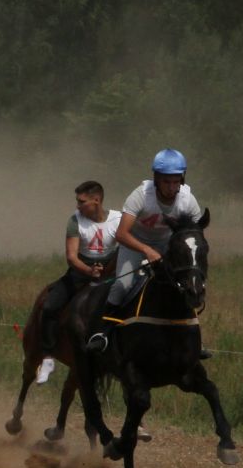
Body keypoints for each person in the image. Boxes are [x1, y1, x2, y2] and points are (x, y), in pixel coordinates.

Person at [86, 149, 208, 354]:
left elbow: (194, 236)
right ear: (157, 179)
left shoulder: (188, 200)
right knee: (123, 285)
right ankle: (102, 333)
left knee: (186, 284)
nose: (172, 187)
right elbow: (121, 234)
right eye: (166, 182)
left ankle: (193, 340)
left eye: (176, 181)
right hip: (134, 243)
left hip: (167, 246)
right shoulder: (141, 196)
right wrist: (147, 251)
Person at [38, 181, 117, 372]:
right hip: (80, 274)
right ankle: (48, 356)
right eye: (78, 202)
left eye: (82, 202)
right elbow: (71, 257)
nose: (77, 206)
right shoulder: (75, 220)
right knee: (49, 306)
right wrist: (89, 271)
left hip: (110, 276)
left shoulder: (118, 219)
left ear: (96, 200)